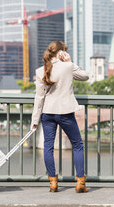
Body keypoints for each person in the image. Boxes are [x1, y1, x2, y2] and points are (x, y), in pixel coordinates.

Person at [30, 41, 89, 193]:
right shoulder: (68, 66)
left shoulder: (40, 70)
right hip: (65, 112)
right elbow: (85, 76)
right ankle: (80, 183)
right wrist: (69, 62)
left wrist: (35, 120)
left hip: (47, 113)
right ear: (61, 52)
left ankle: (53, 183)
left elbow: (39, 97)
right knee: (77, 145)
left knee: (48, 147)